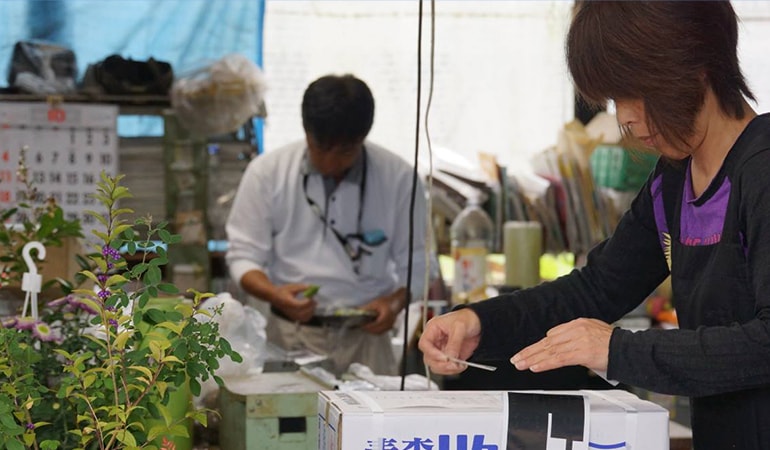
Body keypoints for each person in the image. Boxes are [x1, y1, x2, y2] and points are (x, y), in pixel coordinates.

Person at [419, 2, 770, 449]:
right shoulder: (673, 179)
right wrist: (480, 323)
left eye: (634, 93)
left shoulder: (761, 169)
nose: (623, 117)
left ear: (695, 67)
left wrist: (619, 350)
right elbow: (595, 289)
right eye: (614, 99)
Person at [226, 74, 434, 376]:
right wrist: (273, 293)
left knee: (373, 420)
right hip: (290, 335)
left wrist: (394, 303)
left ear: (363, 138)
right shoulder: (267, 173)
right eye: (320, 147)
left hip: (368, 341)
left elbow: (418, 263)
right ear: (306, 131)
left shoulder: (399, 179)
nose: (329, 162)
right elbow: (242, 254)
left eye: (345, 151)